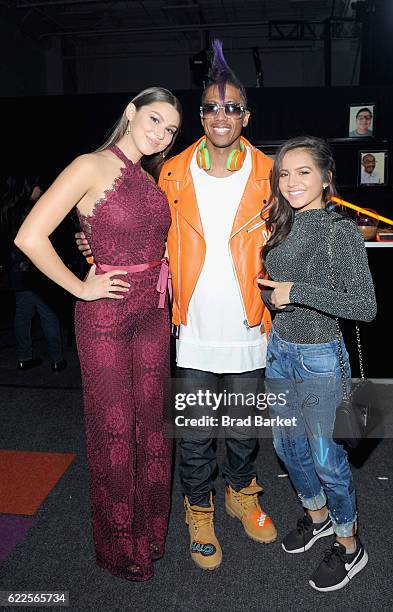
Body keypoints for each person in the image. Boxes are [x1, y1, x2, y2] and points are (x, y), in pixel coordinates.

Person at [77, 40, 277, 571]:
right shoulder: (172, 172)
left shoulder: (269, 175)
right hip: (188, 324)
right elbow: (139, 228)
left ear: (245, 116)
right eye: (211, 106)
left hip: (249, 323)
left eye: (232, 107)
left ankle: (240, 491)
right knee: (192, 431)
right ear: (203, 114)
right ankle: (199, 508)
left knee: (241, 428)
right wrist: (91, 243)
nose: (220, 115)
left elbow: (290, 237)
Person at [15, 87, 182, 581]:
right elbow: (29, 235)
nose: (159, 133)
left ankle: (151, 534)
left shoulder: (151, 178)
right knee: (114, 433)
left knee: (153, 430)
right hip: (106, 315)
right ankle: (119, 547)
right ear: (130, 113)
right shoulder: (90, 165)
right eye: (153, 119)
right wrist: (79, 289)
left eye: (170, 129)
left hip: (153, 310)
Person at [258, 136, 376, 592]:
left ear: (326, 177)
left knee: (327, 459)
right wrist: (272, 294)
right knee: (289, 449)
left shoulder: (338, 230)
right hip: (280, 349)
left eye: (303, 172)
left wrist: (294, 292)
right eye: (284, 174)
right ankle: (318, 516)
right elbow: (280, 288)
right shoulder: (283, 224)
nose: (291, 182)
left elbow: (365, 306)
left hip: (320, 356)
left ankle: (349, 546)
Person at [0, 175, 66, 372]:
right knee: (48, 313)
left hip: (16, 272)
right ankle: (57, 359)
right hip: (37, 271)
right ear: (29, 188)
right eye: (38, 187)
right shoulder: (32, 211)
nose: (41, 191)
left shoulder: (7, 210)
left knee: (22, 315)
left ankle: (23, 357)